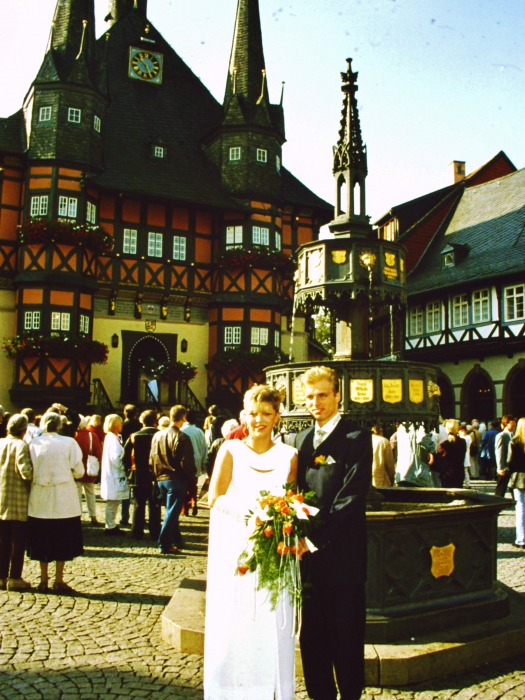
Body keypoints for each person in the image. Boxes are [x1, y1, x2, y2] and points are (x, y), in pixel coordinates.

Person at [204, 385, 298, 700]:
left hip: (273, 549)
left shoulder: (289, 455)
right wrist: (254, 516)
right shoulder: (230, 450)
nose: (259, 420)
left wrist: (284, 520)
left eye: (266, 414)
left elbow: (291, 500)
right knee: (236, 620)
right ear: (245, 415)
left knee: (271, 618)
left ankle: (270, 689)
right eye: (253, 414)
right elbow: (214, 497)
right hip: (235, 547)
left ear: (277, 417)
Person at [296, 366, 372, 700]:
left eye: (323, 395)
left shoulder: (356, 438)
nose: (316, 402)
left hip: (343, 560)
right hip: (307, 563)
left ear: (338, 395)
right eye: (310, 397)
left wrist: (313, 540)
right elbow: (295, 494)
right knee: (312, 639)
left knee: (346, 639)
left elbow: (351, 500)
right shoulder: (301, 439)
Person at [27, 412, 84, 594]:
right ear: (59, 425)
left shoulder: (34, 444)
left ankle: (43, 579)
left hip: (40, 495)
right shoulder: (69, 443)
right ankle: (58, 579)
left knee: (42, 537)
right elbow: (79, 470)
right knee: (62, 537)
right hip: (63, 496)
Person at [149, 405, 196, 554]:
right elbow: (186, 463)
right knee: (172, 512)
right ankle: (164, 543)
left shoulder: (158, 435)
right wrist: (190, 479)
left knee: (171, 511)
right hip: (176, 478)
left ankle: (176, 538)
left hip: (161, 478)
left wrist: (155, 476)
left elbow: (152, 458)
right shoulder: (182, 437)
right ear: (183, 418)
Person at [0, 414, 33, 591]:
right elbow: (25, 472)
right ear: (24, 429)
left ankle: (1, 575)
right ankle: (15, 577)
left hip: (1, 498)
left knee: (2, 540)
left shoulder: (0, 443)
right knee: (18, 541)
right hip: (18, 499)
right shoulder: (21, 445)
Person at [122, 410, 160, 541]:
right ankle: (155, 531)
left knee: (138, 503)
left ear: (141, 421)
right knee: (154, 504)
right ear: (155, 421)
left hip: (138, 473)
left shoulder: (134, 436)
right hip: (156, 474)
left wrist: (129, 470)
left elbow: (125, 456)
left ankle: (137, 531)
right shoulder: (159, 435)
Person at [100, 414, 129, 535]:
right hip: (114, 473)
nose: (122, 425)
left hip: (114, 473)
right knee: (112, 501)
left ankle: (111, 524)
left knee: (114, 501)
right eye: (120, 423)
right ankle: (110, 526)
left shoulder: (113, 437)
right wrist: (124, 468)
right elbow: (116, 458)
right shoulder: (112, 438)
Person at [74, 416, 103, 525]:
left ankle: (78, 516)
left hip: (76, 467)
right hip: (89, 468)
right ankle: (93, 516)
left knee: (77, 494)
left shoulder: (74, 435)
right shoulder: (92, 435)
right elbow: (98, 451)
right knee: (90, 493)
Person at [181, 409, 208, 516]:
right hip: (196, 459)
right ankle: (194, 501)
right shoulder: (199, 431)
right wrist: (203, 462)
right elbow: (204, 447)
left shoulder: (182, 430)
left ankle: (185, 508)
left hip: (184, 460)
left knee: (184, 485)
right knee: (193, 483)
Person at [507, 417, 525, 549]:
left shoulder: (514, 442)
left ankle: (521, 538)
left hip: (519, 477)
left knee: (520, 508)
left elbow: (510, 461)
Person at [437, 419, 467, 488]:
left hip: (447, 474)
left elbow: (440, 458)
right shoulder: (463, 442)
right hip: (459, 473)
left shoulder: (444, 444)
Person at [495, 415, 516, 498]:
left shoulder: (514, 435)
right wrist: (500, 467)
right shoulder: (501, 436)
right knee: (500, 490)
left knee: (514, 488)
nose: (514, 425)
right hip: (505, 467)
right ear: (506, 423)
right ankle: (495, 506)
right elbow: (499, 452)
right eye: (512, 423)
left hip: (514, 467)